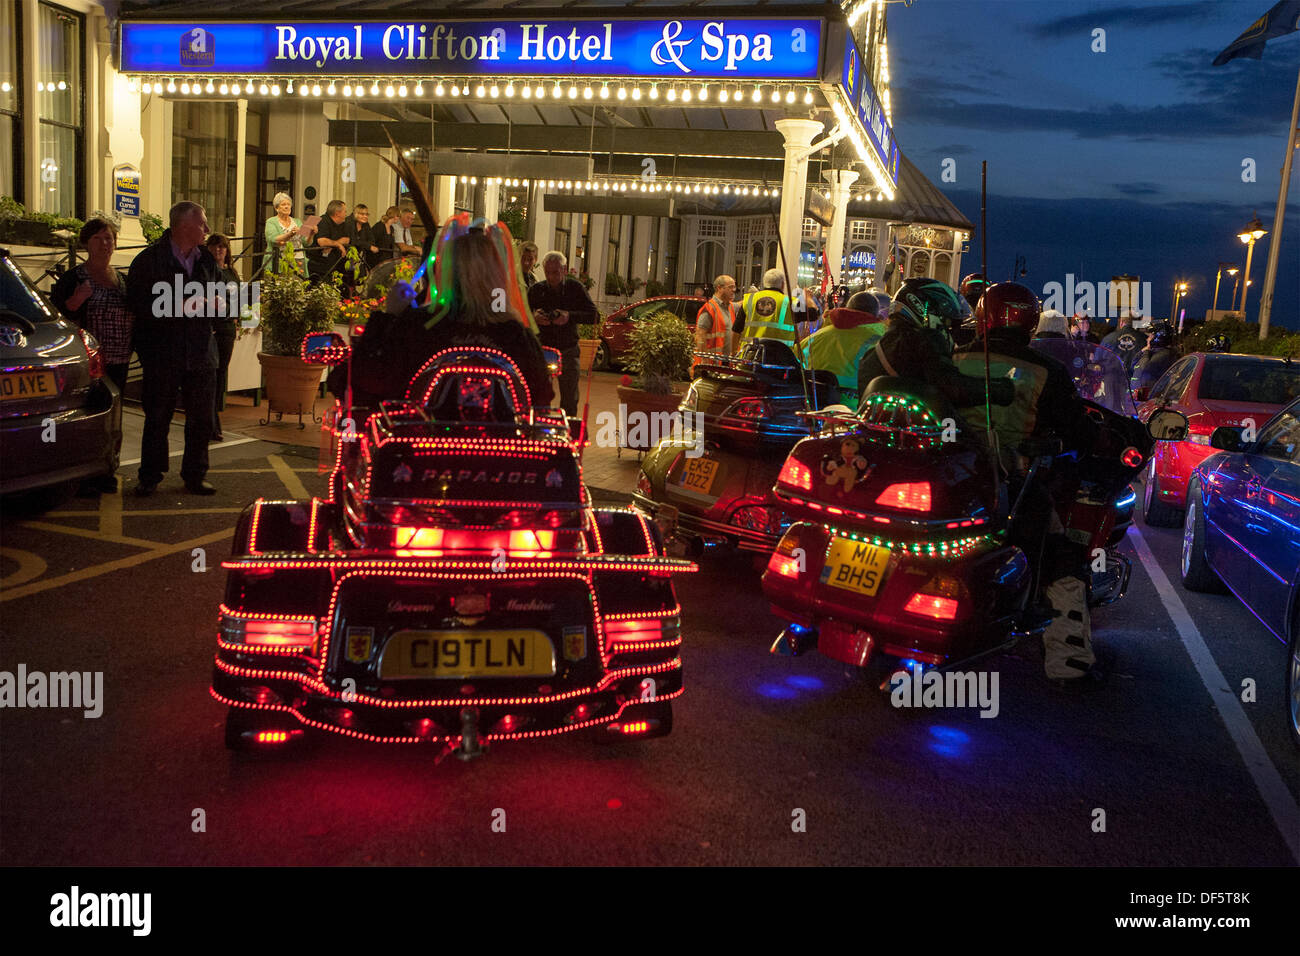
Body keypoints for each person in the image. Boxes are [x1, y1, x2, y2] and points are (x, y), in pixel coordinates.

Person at [953, 282, 1100, 683]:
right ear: (1031, 323)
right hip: (1012, 482)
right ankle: (1068, 664)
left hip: (954, 477)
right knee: (1062, 556)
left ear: (982, 318)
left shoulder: (954, 357)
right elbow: (1079, 432)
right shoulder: (1046, 371)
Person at [329, 225, 554, 412]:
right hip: (502, 458)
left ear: (442, 272)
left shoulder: (420, 326)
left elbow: (357, 379)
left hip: (418, 455)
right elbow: (542, 395)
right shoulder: (514, 334)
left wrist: (389, 317)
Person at [125, 200, 220, 496]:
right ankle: (150, 476)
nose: (207, 230)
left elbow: (219, 297)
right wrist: (176, 306)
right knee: (157, 416)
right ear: (183, 226)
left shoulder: (206, 260)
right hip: (163, 353)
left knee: (201, 418)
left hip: (200, 350)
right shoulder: (149, 261)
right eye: (202, 223)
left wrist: (217, 305)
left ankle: (195, 474)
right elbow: (139, 305)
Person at [50, 217, 132, 492]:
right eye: (98, 238)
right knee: (88, 415)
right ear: (86, 243)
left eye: (108, 238)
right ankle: (82, 472)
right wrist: (77, 300)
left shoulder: (121, 279)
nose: (104, 243)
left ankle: (107, 470)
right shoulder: (75, 277)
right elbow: (59, 314)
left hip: (119, 357)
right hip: (90, 361)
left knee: (113, 417)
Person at [856, 277, 1015, 411]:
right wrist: (1000, 389)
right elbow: (952, 387)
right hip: (913, 438)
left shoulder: (878, 348)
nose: (947, 330)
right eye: (946, 322)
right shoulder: (923, 340)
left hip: (881, 433)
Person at [527, 250, 597, 417]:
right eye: (548, 272)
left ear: (564, 270)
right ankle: (540, 428)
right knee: (540, 394)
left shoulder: (575, 288)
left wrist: (569, 316)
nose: (551, 277)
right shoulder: (537, 290)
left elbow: (594, 315)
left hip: (568, 349)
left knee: (570, 396)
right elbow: (521, 314)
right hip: (543, 348)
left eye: (556, 272)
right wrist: (534, 317)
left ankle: (570, 430)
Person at [799, 290, 888, 409]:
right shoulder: (880, 341)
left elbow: (795, 361)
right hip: (854, 410)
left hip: (815, 406)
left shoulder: (816, 337)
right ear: (877, 314)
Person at [204, 234, 241, 444]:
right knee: (211, 375)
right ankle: (211, 423)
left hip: (226, 328)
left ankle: (214, 421)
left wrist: (236, 318)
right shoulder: (206, 272)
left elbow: (238, 300)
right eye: (214, 247)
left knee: (220, 375)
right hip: (211, 327)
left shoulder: (231, 274)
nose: (218, 251)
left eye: (222, 247)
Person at [741, 268, 796, 346]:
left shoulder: (749, 299)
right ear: (783, 285)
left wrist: (734, 351)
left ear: (764, 283)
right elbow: (813, 314)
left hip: (751, 353)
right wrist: (808, 298)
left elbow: (736, 329)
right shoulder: (790, 302)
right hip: (780, 354)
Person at [694, 274, 742, 362]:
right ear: (719, 288)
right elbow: (700, 337)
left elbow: (741, 304)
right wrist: (705, 362)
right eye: (731, 287)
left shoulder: (730, 306)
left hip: (726, 363)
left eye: (734, 287)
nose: (734, 290)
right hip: (712, 365)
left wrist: (755, 297)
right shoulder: (709, 309)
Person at [309, 199, 350, 284]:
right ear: (337, 213)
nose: (346, 214)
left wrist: (333, 244)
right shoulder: (320, 220)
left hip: (336, 264)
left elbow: (347, 239)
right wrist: (338, 244)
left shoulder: (344, 223)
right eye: (344, 211)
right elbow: (322, 242)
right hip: (318, 264)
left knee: (350, 271)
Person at [263, 192, 304, 274]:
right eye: (283, 204)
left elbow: (306, 242)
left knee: (297, 285)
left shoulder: (298, 221)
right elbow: (273, 239)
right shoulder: (271, 222)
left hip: (298, 260)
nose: (286, 207)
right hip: (279, 260)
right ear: (277, 208)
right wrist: (290, 234)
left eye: (288, 204)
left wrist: (312, 233)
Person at [1132, 323, 1177, 393]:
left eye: (1150, 336)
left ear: (1157, 338)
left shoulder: (1164, 354)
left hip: (1147, 396)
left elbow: (1145, 367)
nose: (1147, 339)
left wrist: (1147, 350)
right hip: (1137, 395)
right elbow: (1133, 363)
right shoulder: (1153, 351)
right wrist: (1143, 350)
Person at [1100, 309, 1146, 375]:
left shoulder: (1108, 339)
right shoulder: (1145, 340)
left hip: (1111, 380)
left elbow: (1098, 360)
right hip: (1134, 380)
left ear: (1121, 322)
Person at [346, 204, 379, 273]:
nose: (365, 216)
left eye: (367, 214)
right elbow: (352, 240)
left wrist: (364, 244)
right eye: (362, 214)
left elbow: (372, 240)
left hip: (360, 256)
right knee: (350, 276)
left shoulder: (366, 224)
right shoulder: (349, 222)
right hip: (347, 255)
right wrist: (368, 246)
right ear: (355, 214)